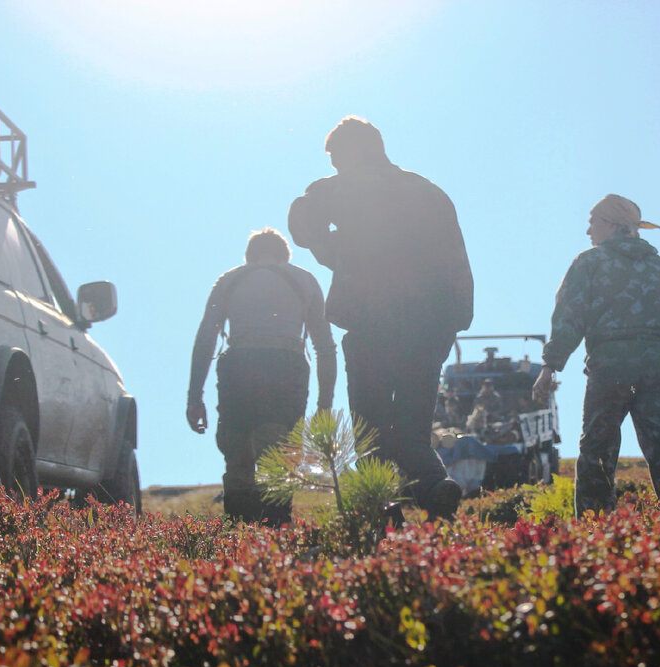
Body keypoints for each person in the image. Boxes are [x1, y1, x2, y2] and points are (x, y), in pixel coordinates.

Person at [287, 116, 473, 518]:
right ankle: (435, 490)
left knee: (370, 429)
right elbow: (457, 260)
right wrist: (455, 321)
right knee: (411, 428)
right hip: (430, 327)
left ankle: (384, 521)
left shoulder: (342, 188)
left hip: (372, 323)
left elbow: (301, 224)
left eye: (336, 157)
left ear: (353, 150)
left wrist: (332, 249)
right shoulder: (428, 191)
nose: (334, 165)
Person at [533, 194, 660, 515]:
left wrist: (550, 366)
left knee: (597, 452)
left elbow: (569, 318)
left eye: (592, 222)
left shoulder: (590, 262)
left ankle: (597, 530)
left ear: (611, 224)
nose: (588, 230)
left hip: (610, 370)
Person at [187, 227, 335, 524]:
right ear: (285, 256)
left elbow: (206, 338)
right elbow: (324, 348)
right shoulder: (304, 279)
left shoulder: (229, 280)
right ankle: (276, 531)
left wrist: (194, 397)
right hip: (286, 366)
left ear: (249, 256)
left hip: (238, 366)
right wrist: (324, 405)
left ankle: (239, 533)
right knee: (280, 454)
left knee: (237, 454)